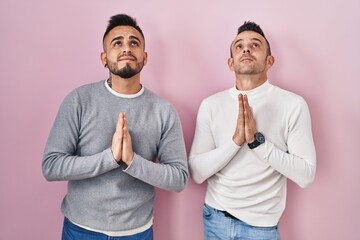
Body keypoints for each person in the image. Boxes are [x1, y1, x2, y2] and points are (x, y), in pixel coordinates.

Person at [42, 14, 188, 240]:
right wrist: (110, 158)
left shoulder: (163, 110)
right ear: (104, 57)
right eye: (117, 43)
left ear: (145, 57)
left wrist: (132, 161)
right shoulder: (79, 100)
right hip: (81, 230)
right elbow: (51, 166)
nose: (126, 48)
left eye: (134, 42)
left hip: (137, 233)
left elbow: (178, 178)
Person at [189, 21, 316, 240]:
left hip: (261, 227)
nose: (246, 49)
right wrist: (235, 142)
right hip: (215, 219)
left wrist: (258, 143)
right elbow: (197, 172)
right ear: (230, 63)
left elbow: (306, 174)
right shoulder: (211, 105)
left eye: (255, 45)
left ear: (270, 61)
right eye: (239, 46)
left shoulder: (293, 104)